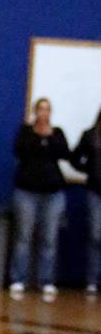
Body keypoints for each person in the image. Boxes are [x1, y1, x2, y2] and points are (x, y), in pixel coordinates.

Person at [9, 97, 70, 301]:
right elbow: (20, 151)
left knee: (49, 238)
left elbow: (64, 153)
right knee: (23, 237)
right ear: (35, 112)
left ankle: (46, 281)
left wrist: (50, 137)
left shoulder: (57, 133)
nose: (44, 113)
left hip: (53, 193)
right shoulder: (26, 132)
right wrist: (37, 136)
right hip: (27, 191)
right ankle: (18, 279)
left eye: (47, 109)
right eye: (40, 109)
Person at [70, 108, 101, 295]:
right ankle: (92, 280)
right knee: (96, 236)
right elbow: (74, 158)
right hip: (95, 191)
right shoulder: (90, 135)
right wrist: (88, 169)